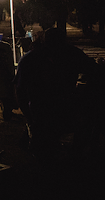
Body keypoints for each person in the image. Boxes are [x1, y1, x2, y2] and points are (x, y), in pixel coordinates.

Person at [14, 27, 97, 156]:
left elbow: (19, 90)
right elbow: (20, 90)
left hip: (55, 106)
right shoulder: (70, 53)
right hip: (44, 108)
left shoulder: (31, 58)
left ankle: (73, 154)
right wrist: (30, 118)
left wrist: (29, 117)